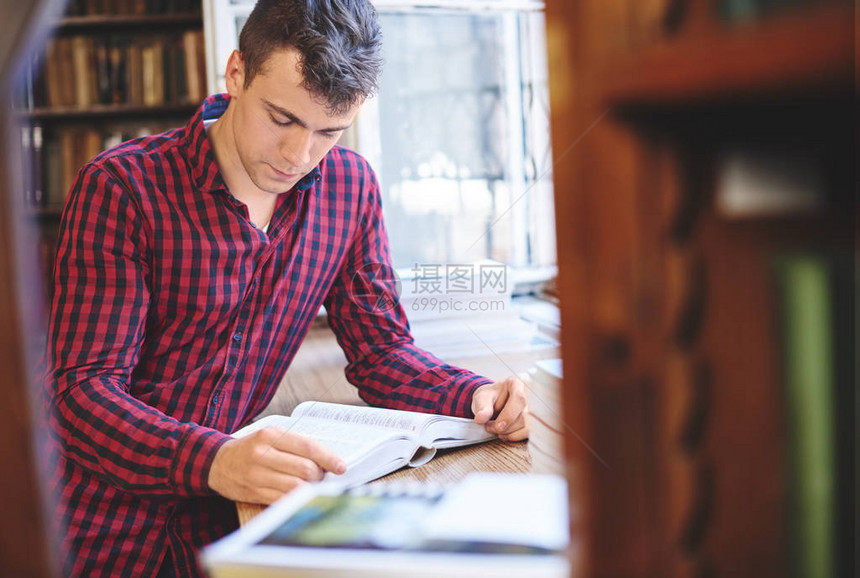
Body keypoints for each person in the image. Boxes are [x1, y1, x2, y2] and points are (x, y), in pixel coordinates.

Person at [42, 0, 528, 576]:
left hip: (241, 511)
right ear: (237, 74)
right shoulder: (122, 188)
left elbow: (381, 353)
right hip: (102, 522)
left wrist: (472, 397)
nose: (300, 155)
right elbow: (81, 393)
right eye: (282, 119)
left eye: (330, 131)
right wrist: (213, 460)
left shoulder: (350, 190)